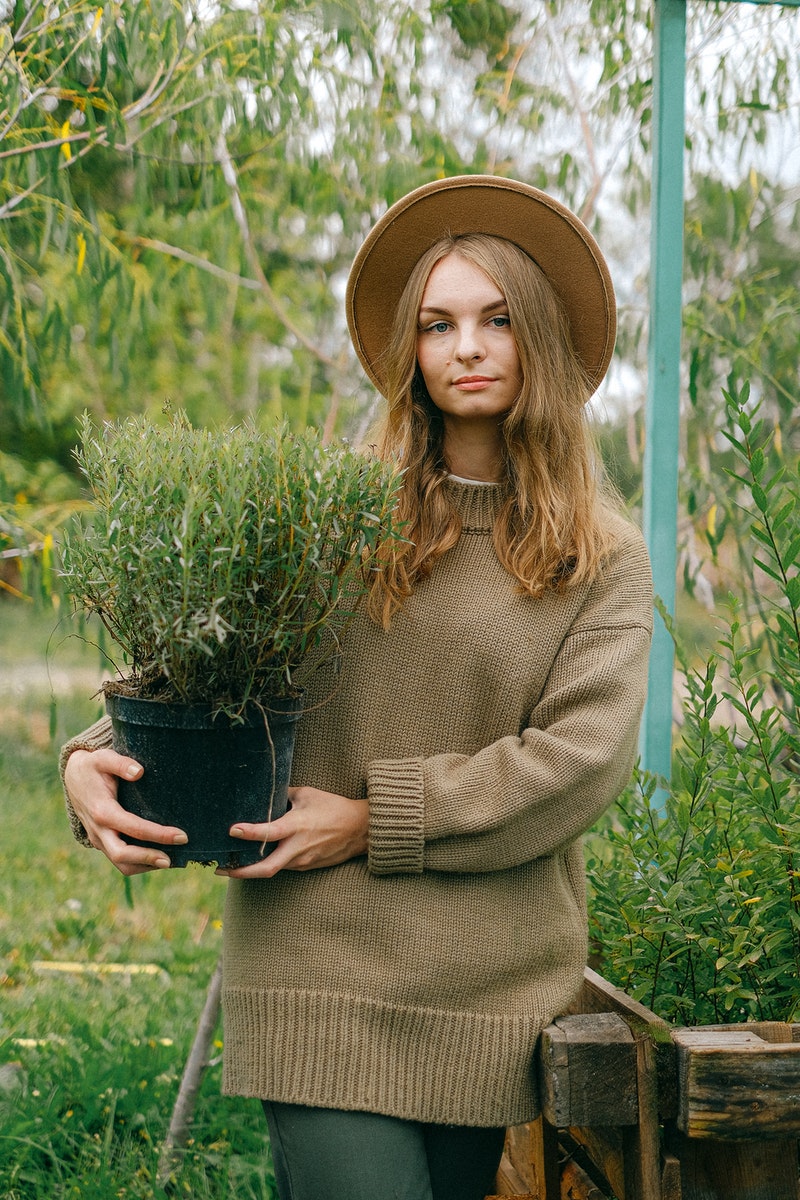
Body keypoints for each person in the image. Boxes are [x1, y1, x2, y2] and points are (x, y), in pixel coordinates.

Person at [61, 175, 653, 1200]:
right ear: (409, 354)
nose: (464, 347)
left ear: (540, 341)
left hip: (486, 985)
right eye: (436, 325)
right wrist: (86, 760)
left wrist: (375, 818)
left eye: (495, 320)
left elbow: (576, 764)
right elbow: (211, 671)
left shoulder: (601, 558)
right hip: (315, 962)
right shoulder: (333, 523)